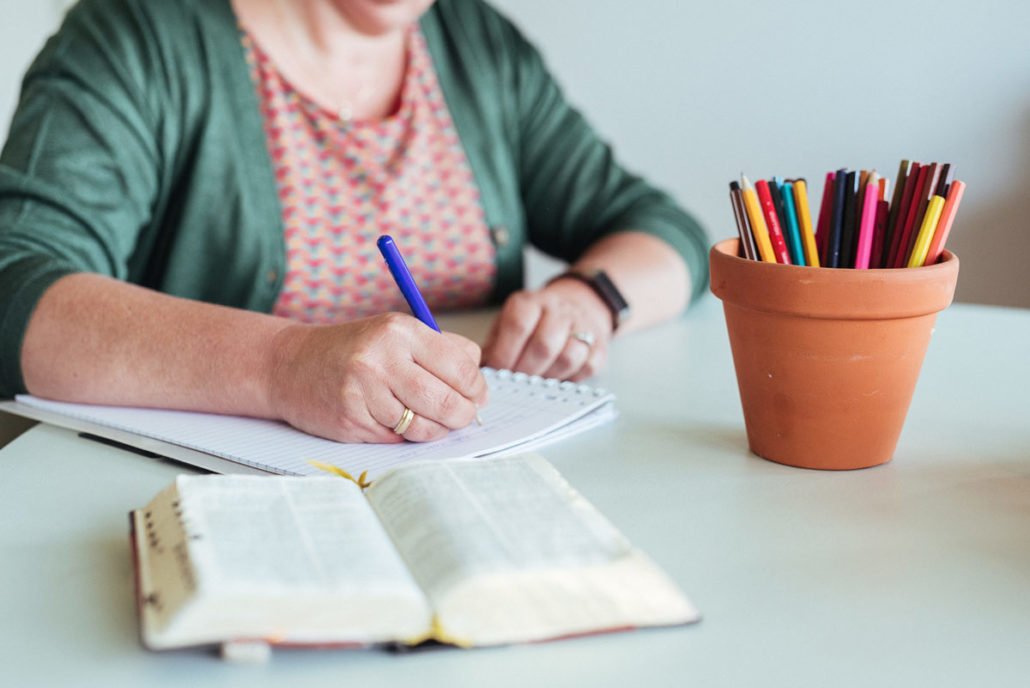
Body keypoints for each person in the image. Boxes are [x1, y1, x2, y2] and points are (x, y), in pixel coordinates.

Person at [0, 0, 708, 444]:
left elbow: (663, 230)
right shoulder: (133, 35)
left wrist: (590, 299)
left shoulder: (477, 44)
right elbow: (14, 286)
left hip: (461, 477)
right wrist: (284, 366)